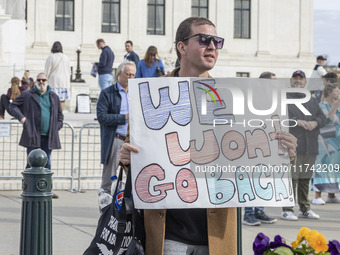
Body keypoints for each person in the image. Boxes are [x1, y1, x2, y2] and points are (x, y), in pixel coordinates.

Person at [120, 17, 298, 255]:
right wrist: (125, 157)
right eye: (204, 40)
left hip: (216, 234)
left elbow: (254, 154)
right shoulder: (150, 93)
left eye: (217, 41)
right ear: (182, 47)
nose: (212, 46)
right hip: (167, 234)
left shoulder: (234, 97)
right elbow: (131, 151)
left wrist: (285, 154)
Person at [9, 73, 64, 198]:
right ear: (36, 82)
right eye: (38, 80)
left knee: (47, 163)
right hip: (32, 134)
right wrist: (22, 119)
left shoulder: (54, 96)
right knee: (31, 163)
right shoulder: (28, 94)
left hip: (48, 136)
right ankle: (28, 190)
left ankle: (47, 190)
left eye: (43, 80)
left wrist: (57, 127)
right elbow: (12, 106)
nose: (41, 82)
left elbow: (60, 115)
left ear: (47, 82)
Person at [281, 70, 326, 221]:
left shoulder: (311, 100)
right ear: (291, 81)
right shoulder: (285, 98)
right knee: (292, 178)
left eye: (301, 79)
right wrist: (296, 121)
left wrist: (315, 122)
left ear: (305, 82)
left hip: (310, 145)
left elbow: (322, 117)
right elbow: (281, 118)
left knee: (305, 179)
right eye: (295, 79)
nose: (298, 81)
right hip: (294, 144)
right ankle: (287, 209)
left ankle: (304, 208)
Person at [242, 71, 277, 226]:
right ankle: (248, 213)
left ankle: (259, 210)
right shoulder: (253, 99)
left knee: (264, 177)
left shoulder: (274, 100)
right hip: (253, 143)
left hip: (268, 143)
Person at [97, 61, 136, 194]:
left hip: (133, 141)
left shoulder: (137, 93)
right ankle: (105, 211)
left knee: (134, 181)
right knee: (109, 181)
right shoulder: (107, 93)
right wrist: (124, 117)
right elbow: (102, 117)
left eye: (133, 75)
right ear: (119, 74)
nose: (131, 78)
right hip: (116, 140)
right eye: (128, 74)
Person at [311, 84, 340, 205]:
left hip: (336, 141)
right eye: (336, 91)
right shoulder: (322, 105)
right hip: (325, 140)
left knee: (334, 167)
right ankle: (317, 195)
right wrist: (336, 106)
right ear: (329, 93)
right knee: (322, 167)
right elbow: (327, 120)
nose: (338, 93)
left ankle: (331, 195)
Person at [44, 41, 71, 112]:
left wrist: (44, 80)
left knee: (52, 99)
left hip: (53, 81)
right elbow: (69, 71)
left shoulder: (51, 57)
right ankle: (60, 115)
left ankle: (53, 114)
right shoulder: (66, 57)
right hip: (64, 82)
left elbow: (47, 71)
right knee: (62, 100)